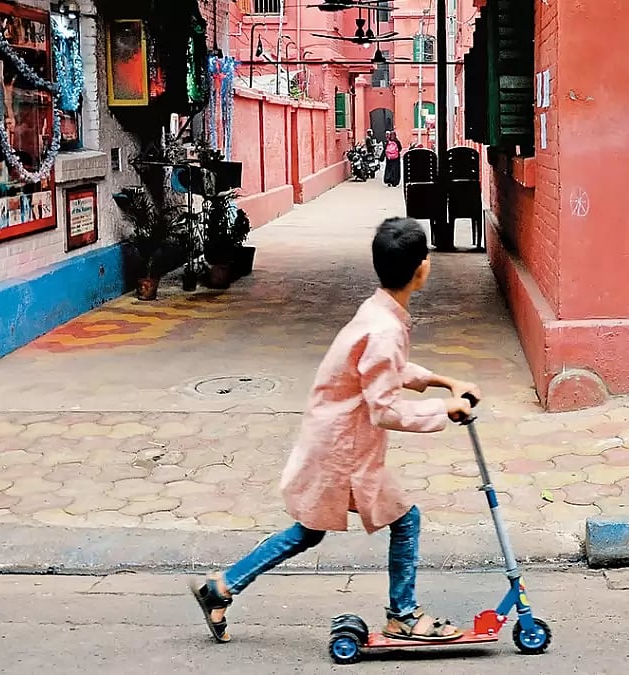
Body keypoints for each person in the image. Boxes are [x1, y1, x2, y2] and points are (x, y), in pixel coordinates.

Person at [190, 217, 481, 645]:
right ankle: (402, 615)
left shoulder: (380, 310)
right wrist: (445, 410)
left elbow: (388, 371)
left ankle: (221, 588)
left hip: (336, 437)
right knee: (406, 521)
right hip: (342, 448)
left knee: (308, 531)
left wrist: (445, 382)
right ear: (422, 268)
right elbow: (384, 409)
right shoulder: (383, 328)